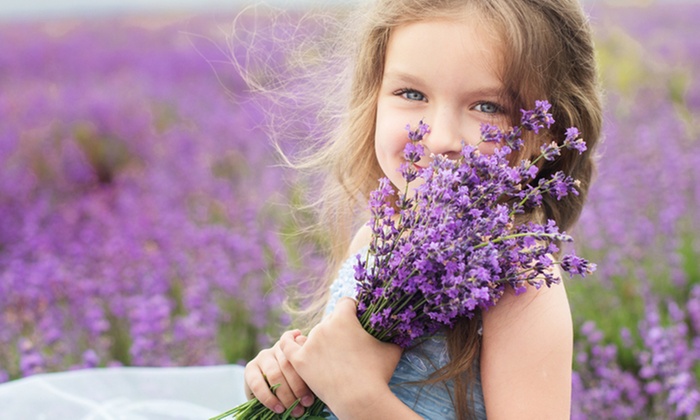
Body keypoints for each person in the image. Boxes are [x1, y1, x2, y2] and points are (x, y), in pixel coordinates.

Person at [243, 0, 603, 419]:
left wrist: (360, 398)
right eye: (411, 94)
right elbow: (333, 378)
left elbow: (350, 387)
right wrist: (289, 380)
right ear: (372, 98)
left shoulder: (520, 283)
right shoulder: (373, 239)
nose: (439, 138)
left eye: (487, 106)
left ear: (548, 133)